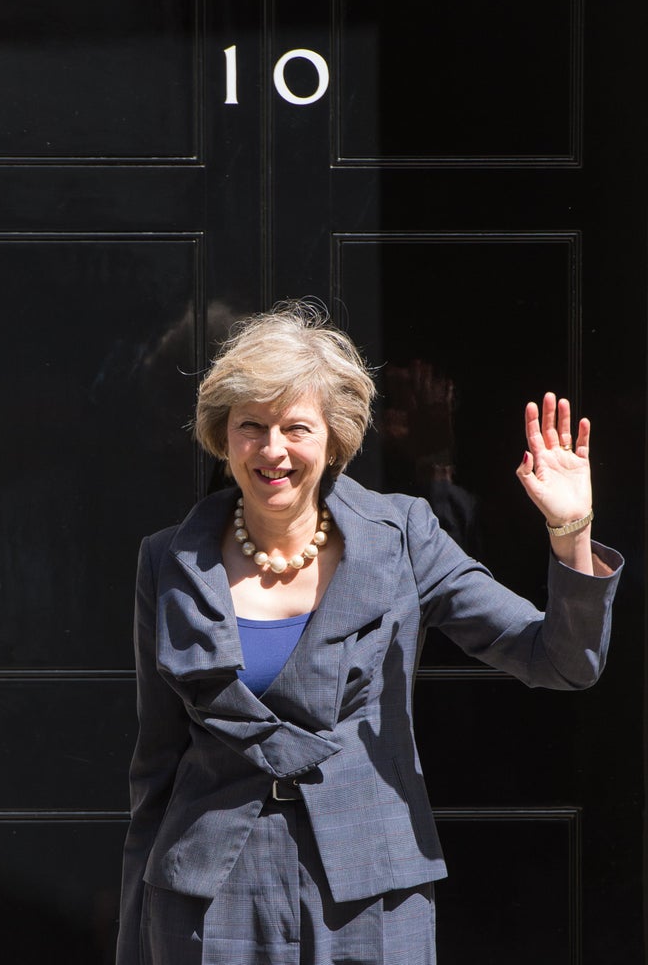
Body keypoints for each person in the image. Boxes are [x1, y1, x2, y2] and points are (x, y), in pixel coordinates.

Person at [116, 301, 623, 965]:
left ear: (334, 439)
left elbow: (561, 660)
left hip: (368, 892)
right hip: (209, 895)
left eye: (296, 426)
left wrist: (571, 532)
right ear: (223, 434)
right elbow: (155, 766)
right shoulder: (168, 560)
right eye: (251, 426)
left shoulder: (404, 537)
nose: (273, 450)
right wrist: (131, 924)